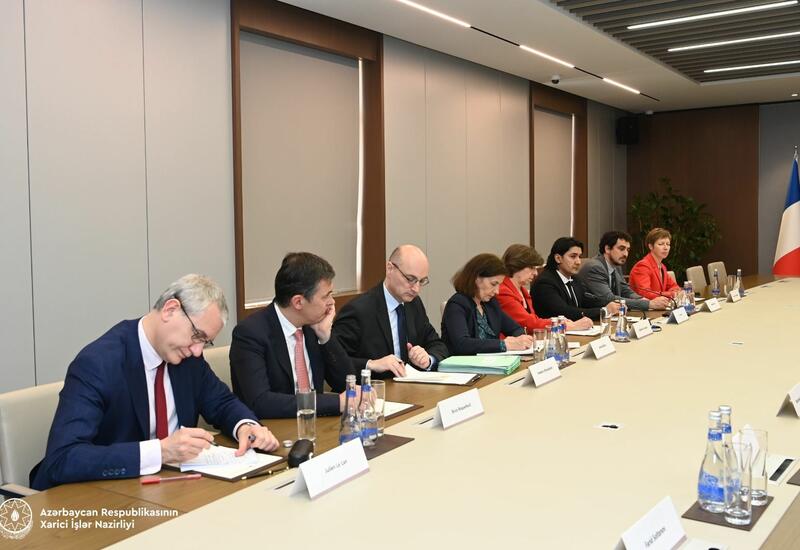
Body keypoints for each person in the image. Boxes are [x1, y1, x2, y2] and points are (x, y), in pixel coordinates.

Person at [30, 274, 279, 491]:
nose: (197, 350)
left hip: (169, 489)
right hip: (100, 497)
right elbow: (63, 458)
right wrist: (160, 452)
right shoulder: (99, 363)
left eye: (206, 342)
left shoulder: (188, 358)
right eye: (197, 336)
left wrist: (245, 426)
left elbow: (221, 402)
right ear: (170, 310)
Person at [230, 253, 355, 419]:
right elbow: (260, 402)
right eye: (326, 296)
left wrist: (325, 337)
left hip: (316, 425)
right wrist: (336, 403)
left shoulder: (313, 325)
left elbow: (346, 384)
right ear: (298, 302)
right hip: (275, 428)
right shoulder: (250, 334)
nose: (332, 302)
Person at [332, 245, 449, 379]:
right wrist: (371, 364)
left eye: (421, 281)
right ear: (390, 269)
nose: (416, 289)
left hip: (411, 386)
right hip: (375, 388)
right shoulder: (358, 311)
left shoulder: (414, 304)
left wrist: (427, 358)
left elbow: (437, 344)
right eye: (410, 279)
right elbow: (335, 363)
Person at [441, 253, 534, 355]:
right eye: (493, 284)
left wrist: (521, 339)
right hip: (463, 364)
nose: (497, 291)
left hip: (492, 362)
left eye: (499, 285)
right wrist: (504, 344)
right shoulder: (457, 304)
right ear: (476, 279)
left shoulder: (491, 303)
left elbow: (515, 328)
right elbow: (462, 344)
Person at [497, 244, 593, 332]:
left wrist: (559, 321)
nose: (535, 273)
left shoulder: (522, 290)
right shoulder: (503, 291)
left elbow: (534, 320)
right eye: (532, 268)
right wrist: (568, 326)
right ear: (516, 265)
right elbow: (529, 323)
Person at [576, 231, 671, 311]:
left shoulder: (616, 266)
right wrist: (649, 304)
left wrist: (645, 300)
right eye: (621, 249)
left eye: (627, 250)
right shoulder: (595, 267)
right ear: (607, 249)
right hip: (591, 318)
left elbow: (626, 291)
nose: (625, 254)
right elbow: (609, 298)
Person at [532, 237, 620, 321]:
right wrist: (604, 311)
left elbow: (586, 301)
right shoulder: (545, 283)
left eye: (579, 256)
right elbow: (565, 312)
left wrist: (611, 305)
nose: (578, 262)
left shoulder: (575, 279)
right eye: (573, 256)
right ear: (558, 258)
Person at [628, 228, 680, 300]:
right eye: (661, 244)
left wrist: (673, 292)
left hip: (659, 305)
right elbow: (645, 294)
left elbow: (675, 287)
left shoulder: (662, 266)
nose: (666, 248)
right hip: (643, 306)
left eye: (668, 244)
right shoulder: (642, 266)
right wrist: (671, 294)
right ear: (651, 246)